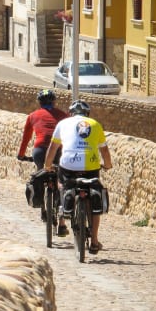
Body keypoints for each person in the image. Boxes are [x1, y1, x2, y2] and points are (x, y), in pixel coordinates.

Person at [44, 99, 113, 253]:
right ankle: (94, 241)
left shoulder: (63, 123)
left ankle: (63, 212)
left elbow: (53, 147)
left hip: (68, 165)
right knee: (95, 194)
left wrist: (47, 166)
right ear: (87, 113)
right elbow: (105, 151)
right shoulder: (95, 124)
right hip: (91, 166)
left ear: (71, 113)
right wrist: (108, 165)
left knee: (62, 184)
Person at [18, 89, 68, 170]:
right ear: (54, 102)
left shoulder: (32, 116)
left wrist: (21, 155)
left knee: (40, 174)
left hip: (39, 150)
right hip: (57, 150)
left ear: (39, 103)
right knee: (61, 177)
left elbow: (26, 138)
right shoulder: (63, 115)